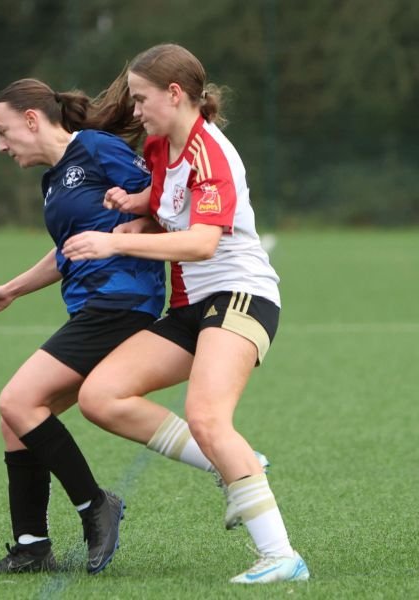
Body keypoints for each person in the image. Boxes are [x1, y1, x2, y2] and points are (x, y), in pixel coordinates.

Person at [61, 44, 310, 584]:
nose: (135, 108)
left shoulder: (210, 152)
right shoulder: (160, 146)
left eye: (142, 97)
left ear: (175, 95)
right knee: (100, 397)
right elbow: (167, 195)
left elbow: (200, 243)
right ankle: (234, 462)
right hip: (191, 307)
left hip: (241, 297)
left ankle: (281, 556)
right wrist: (136, 208)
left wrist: (116, 246)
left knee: (207, 415)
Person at [0, 77, 224, 576]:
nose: (1, 145)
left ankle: (95, 505)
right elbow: (68, 251)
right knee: (17, 416)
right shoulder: (53, 181)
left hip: (123, 301)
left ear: (33, 120)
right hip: (91, 307)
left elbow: (160, 202)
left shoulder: (97, 148)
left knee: (17, 400)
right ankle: (31, 546)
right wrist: (12, 289)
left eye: (4, 130)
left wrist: (136, 228)